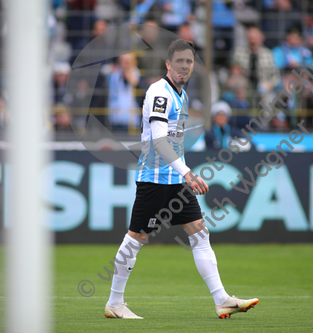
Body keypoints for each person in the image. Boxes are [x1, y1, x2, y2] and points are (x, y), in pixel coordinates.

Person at [105, 39, 259, 319]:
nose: (184, 67)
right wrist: (187, 172)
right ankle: (115, 303)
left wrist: (185, 174)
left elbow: (175, 145)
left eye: (189, 62)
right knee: (136, 238)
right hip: (154, 179)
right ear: (168, 64)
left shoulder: (182, 96)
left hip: (175, 181)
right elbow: (160, 141)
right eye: (179, 62)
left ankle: (222, 299)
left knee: (200, 233)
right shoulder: (159, 92)